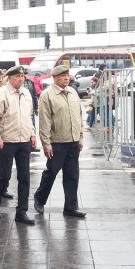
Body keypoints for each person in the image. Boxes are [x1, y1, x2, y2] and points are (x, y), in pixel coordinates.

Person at [33, 64, 86, 218]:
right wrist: (46, 144)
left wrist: (80, 137)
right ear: (55, 78)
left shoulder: (72, 93)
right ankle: (39, 198)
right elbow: (45, 122)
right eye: (62, 76)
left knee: (72, 175)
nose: (66, 78)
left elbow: (79, 117)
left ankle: (70, 207)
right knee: (51, 172)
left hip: (73, 141)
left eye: (67, 75)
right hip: (57, 141)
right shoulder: (47, 95)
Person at [0, 65, 37, 224]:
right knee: (4, 176)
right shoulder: (2, 93)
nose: (21, 79)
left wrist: (32, 134)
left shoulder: (26, 92)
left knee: (24, 178)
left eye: (22, 77)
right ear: (10, 78)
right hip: (7, 141)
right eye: (17, 77)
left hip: (24, 141)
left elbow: (29, 116)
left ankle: (21, 212)